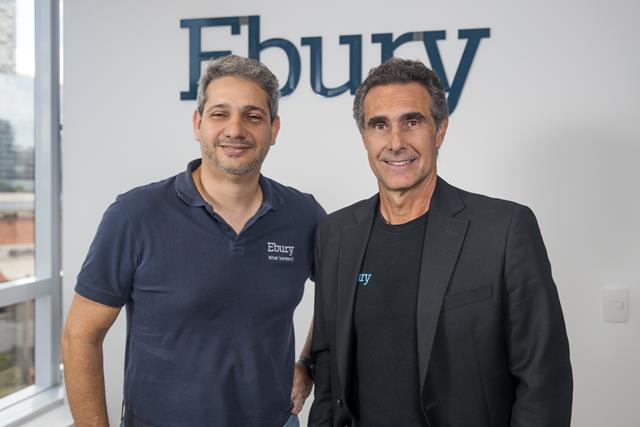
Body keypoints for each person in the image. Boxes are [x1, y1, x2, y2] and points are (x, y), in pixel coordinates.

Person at [61, 55, 323, 427]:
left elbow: (341, 297)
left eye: (252, 116)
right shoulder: (135, 215)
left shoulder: (302, 214)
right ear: (198, 124)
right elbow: (80, 335)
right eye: (219, 114)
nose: (235, 130)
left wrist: (308, 362)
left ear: (274, 128)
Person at [308, 58, 573, 427]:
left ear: (440, 131)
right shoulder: (335, 233)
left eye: (412, 122)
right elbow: (328, 366)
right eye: (380, 125)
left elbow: (543, 378)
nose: (396, 142)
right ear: (364, 138)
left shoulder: (504, 229)